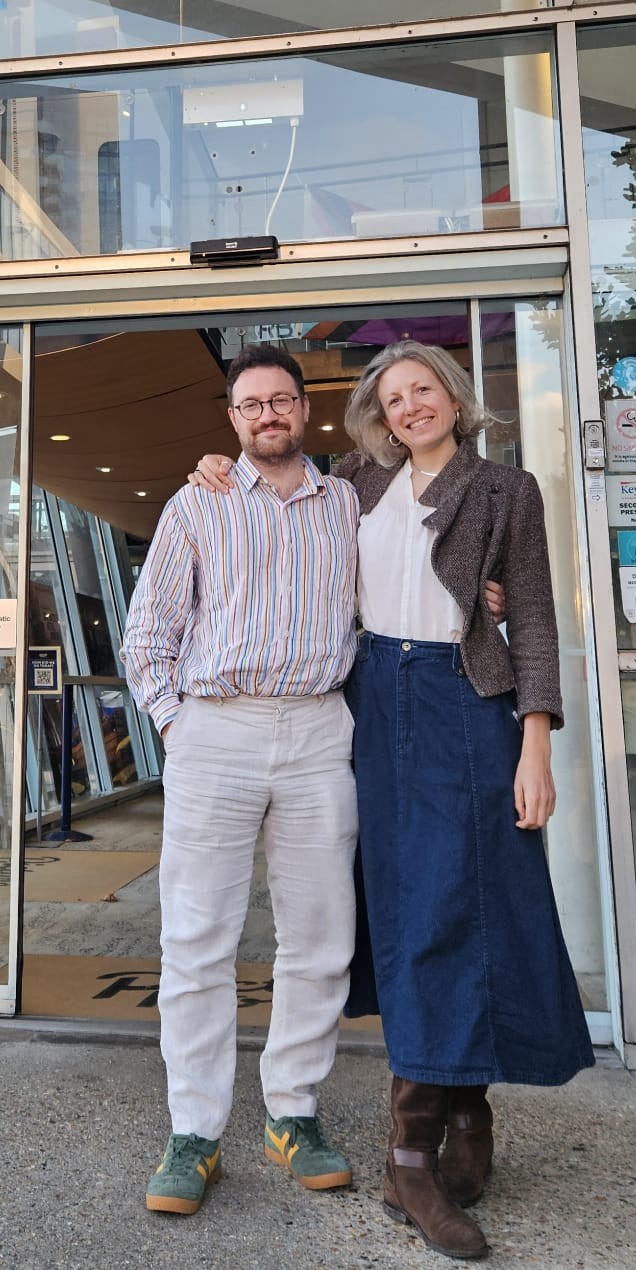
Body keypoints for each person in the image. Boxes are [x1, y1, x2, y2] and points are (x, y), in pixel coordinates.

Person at [192, 339, 594, 1261]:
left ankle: (461, 1110)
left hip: (467, 700)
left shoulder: (506, 489)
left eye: (424, 389)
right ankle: (414, 1152)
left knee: (475, 900)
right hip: (373, 701)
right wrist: (213, 463)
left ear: (454, 395)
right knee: (412, 909)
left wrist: (537, 741)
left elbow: (532, 614)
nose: (411, 406)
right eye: (394, 396)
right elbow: (273, 489)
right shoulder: (353, 483)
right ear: (378, 415)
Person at [121, 343, 361, 1217]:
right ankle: (194, 1131)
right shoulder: (199, 501)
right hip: (215, 726)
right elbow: (148, 633)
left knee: (321, 934)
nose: (269, 414)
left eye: (282, 400)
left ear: (305, 408)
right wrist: (178, 725)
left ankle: (293, 1111)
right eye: (252, 404)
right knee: (196, 937)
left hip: (319, 725)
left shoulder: (349, 502)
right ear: (232, 418)